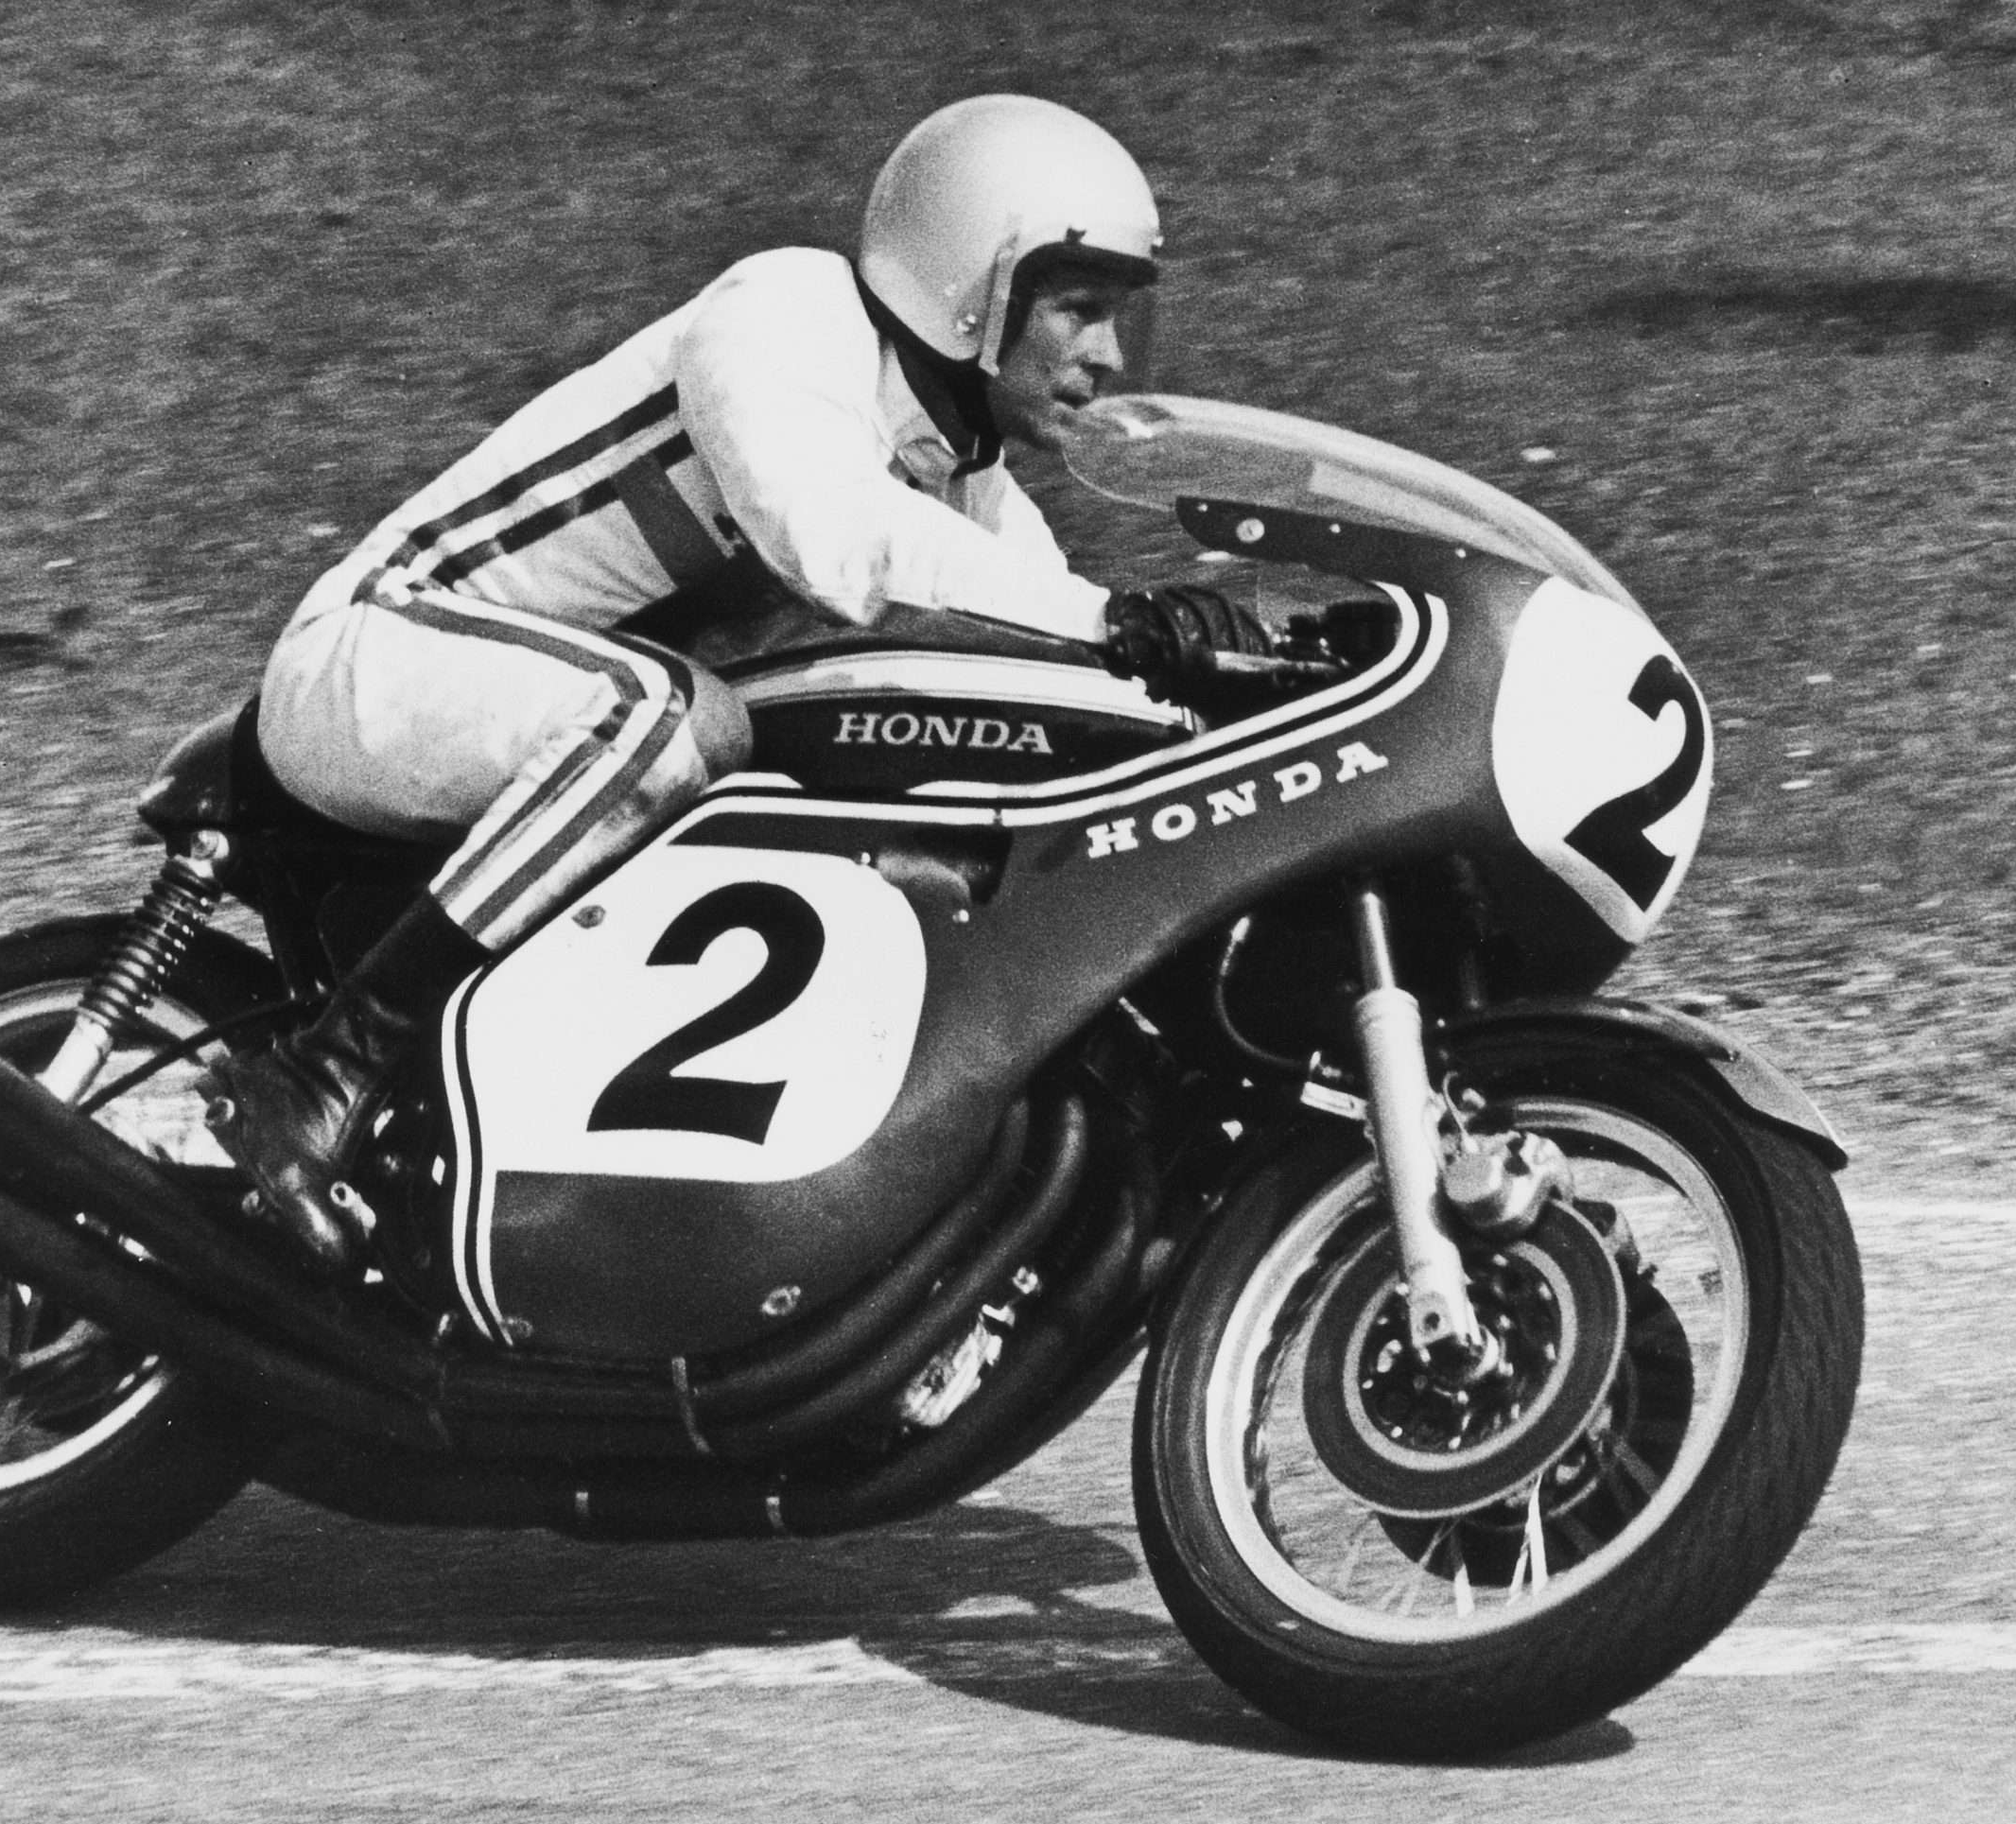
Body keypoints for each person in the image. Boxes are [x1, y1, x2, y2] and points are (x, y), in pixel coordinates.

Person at [208, 93, 1272, 1274]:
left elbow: (1066, 673)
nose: (1108, 355)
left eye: (1119, 315)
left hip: (526, 738)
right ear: (970, 284)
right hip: (375, 654)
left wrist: (1237, 673)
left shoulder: (963, 487)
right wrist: (1110, 617)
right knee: (667, 721)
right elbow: (831, 533)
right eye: (1078, 307)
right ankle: (323, 1073)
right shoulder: (783, 317)